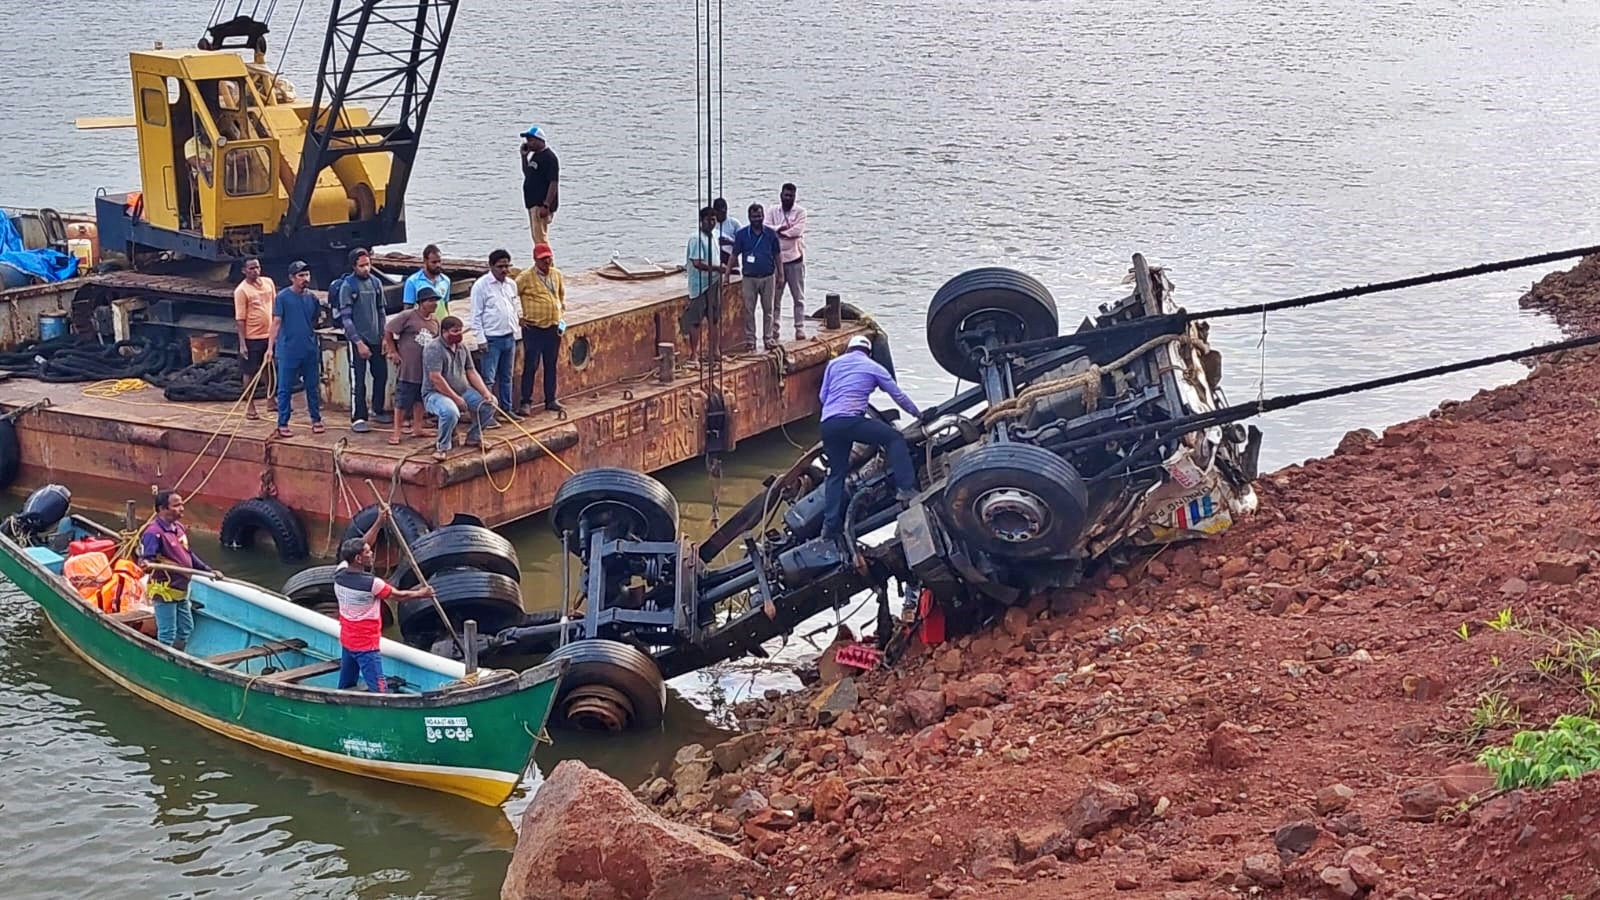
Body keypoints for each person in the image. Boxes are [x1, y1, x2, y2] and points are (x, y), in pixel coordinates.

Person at [818, 335, 921, 543]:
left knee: (836, 474)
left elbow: (823, 397)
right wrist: (918, 414)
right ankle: (906, 489)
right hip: (851, 421)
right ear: (869, 353)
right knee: (893, 439)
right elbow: (897, 395)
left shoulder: (833, 364)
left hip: (828, 424)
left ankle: (829, 527)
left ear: (849, 349)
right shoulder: (873, 367)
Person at [334, 508, 434, 693]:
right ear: (358, 558)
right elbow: (399, 596)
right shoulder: (373, 584)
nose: (371, 552)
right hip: (366, 645)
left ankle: (341, 703)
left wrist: (380, 521)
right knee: (380, 689)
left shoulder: (340, 571)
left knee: (346, 684)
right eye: (367, 552)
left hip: (348, 640)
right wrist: (422, 593)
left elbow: (364, 542)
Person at [137, 491, 220, 650]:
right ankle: (165, 662)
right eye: (176, 505)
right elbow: (147, 560)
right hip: (164, 590)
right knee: (167, 633)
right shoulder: (153, 533)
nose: (182, 508)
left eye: (182, 504)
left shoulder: (179, 528)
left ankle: (177, 655)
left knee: (186, 628)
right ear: (162, 509)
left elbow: (188, 554)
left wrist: (208, 570)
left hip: (181, 590)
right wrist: (146, 563)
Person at [423, 316, 496, 461]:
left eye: (460, 331)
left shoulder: (462, 347)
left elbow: (471, 371)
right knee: (450, 412)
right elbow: (436, 378)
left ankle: (474, 437)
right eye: (455, 331)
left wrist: (486, 393)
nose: (459, 334)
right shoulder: (433, 349)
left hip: (463, 391)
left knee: (489, 405)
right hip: (435, 394)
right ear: (444, 331)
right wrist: (455, 399)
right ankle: (442, 446)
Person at [335, 247, 391, 432]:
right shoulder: (348, 286)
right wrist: (358, 342)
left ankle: (378, 408)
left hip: (376, 337)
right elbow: (346, 318)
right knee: (358, 380)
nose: (366, 268)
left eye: (368, 264)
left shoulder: (376, 283)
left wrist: (384, 336)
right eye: (362, 266)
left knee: (381, 374)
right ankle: (358, 416)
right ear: (354, 266)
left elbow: (381, 310)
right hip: (358, 340)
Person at [270, 260, 325, 437]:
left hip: (308, 349)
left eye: (307, 275)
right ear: (292, 278)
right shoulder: (283, 298)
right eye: (301, 276)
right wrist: (270, 347)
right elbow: (276, 322)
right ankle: (283, 422)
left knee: (312, 386)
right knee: (284, 388)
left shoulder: (312, 298)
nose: (305, 279)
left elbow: (317, 320)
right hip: (288, 350)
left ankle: (316, 419)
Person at [383, 285, 442, 446]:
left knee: (420, 399)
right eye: (431, 301)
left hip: (425, 368)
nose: (434, 304)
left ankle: (418, 427)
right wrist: (393, 351)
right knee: (402, 400)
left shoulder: (436, 320)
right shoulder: (407, 316)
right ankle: (396, 432)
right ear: (421, 302)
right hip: (408, 367)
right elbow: (388, 330)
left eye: (435, 301)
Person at [514, 242, 566, 416]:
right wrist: (518, 317)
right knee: (531, 365)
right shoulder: (524, 277)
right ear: (535, 259)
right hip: (534, 328)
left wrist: (560, 314)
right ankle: (526, 401)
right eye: (543, 259)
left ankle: (550, 399)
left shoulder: (557, 274)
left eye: (549, 257)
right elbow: (510, 296)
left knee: (551, 364)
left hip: (553, 327)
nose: (547, 261)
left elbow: (560, 295)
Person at [467, 249, 521, 415]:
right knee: (488, 380)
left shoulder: (511, 284)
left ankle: (507, 409)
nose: (504, 270)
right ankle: (487, 415)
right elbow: (476, 315)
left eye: (507, 266)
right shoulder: (481, 286)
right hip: (491, 339)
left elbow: (514, 307)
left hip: (509, 336)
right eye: (500, 266)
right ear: (491, 266)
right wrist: (481, 339)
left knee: (506, 377)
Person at [730, 203, 783, 350]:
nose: (757, 219)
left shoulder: (771, 234)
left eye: (759, 216)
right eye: (754, 217)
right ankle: (750, 340)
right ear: (749, 217)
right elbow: (734, 255)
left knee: (768, 309)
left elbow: (777, 255)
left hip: (768, 276)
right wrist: (727, 273)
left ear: (763, 216)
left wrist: (781, 275)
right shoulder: (742, 234)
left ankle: (768, 338)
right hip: (749, 278)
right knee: (749, 310)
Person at [233, 257, 275, 420]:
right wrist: (243, 343)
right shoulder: (241, 291)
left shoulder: (268, 283)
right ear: (244, 271)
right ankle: (250, 406)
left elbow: (274, 306)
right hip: (252, 337)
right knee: (249, 372)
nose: (255, 271)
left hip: (268, 335)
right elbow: (240, 319)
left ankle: (271, 400)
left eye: (257, 267)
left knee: (269, 369)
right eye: (251, 268)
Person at [680, 206, 723, 363]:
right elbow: (697, 263)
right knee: (696, 320)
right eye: (708, 220)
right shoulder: (696, 239)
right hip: (700, 286)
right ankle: (694, 354)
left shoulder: (714, 235)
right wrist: (718, 268)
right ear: (701, 221)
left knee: (714, 319)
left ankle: (715, 351)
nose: (711, 223)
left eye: (713, 220)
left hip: (714, 283)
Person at [766, 182, 809, 340]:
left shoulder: (801, 212)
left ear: (794, 197)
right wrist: (780, 229)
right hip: (777, 261)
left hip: (795, 259)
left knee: (798, 296)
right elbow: (766, 228)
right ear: (781, 195)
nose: (788, 198)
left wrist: (781, 232)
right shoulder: (772, 210)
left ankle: (799, 327)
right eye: (786, 195)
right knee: (775, 297)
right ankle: (774, 328)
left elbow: (797, 231)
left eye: (791, 196)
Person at [520, 126, 560, 248]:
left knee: (540, 238)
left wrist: (546, 205)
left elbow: (553, 183)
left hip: (541, 204)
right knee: (536, 236)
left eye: (531, 140)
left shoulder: (549, 158)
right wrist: (524, 157)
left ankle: (546, 263)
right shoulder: (535, 156)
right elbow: (528, 174)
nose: (528, 143)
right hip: (532, 203)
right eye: (527, 140)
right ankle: (541, 261)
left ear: (540, 140)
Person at [403, 244, 451, 315]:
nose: (438, 265)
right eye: (434, 262)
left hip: (439, 323)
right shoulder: (412, 281)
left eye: (439, 261)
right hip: (421, 323)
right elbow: (407, 309)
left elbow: (445, 305)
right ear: (425, 261)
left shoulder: (446, 280)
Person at [712, 197, 741, 269]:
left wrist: (730, 242)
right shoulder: (711, 224)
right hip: (715, 257)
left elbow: (743, 244)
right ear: (715, 211)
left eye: (724, 212)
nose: (722, 215)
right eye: (720, 212)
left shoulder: (734, 223)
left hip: (731, 257)